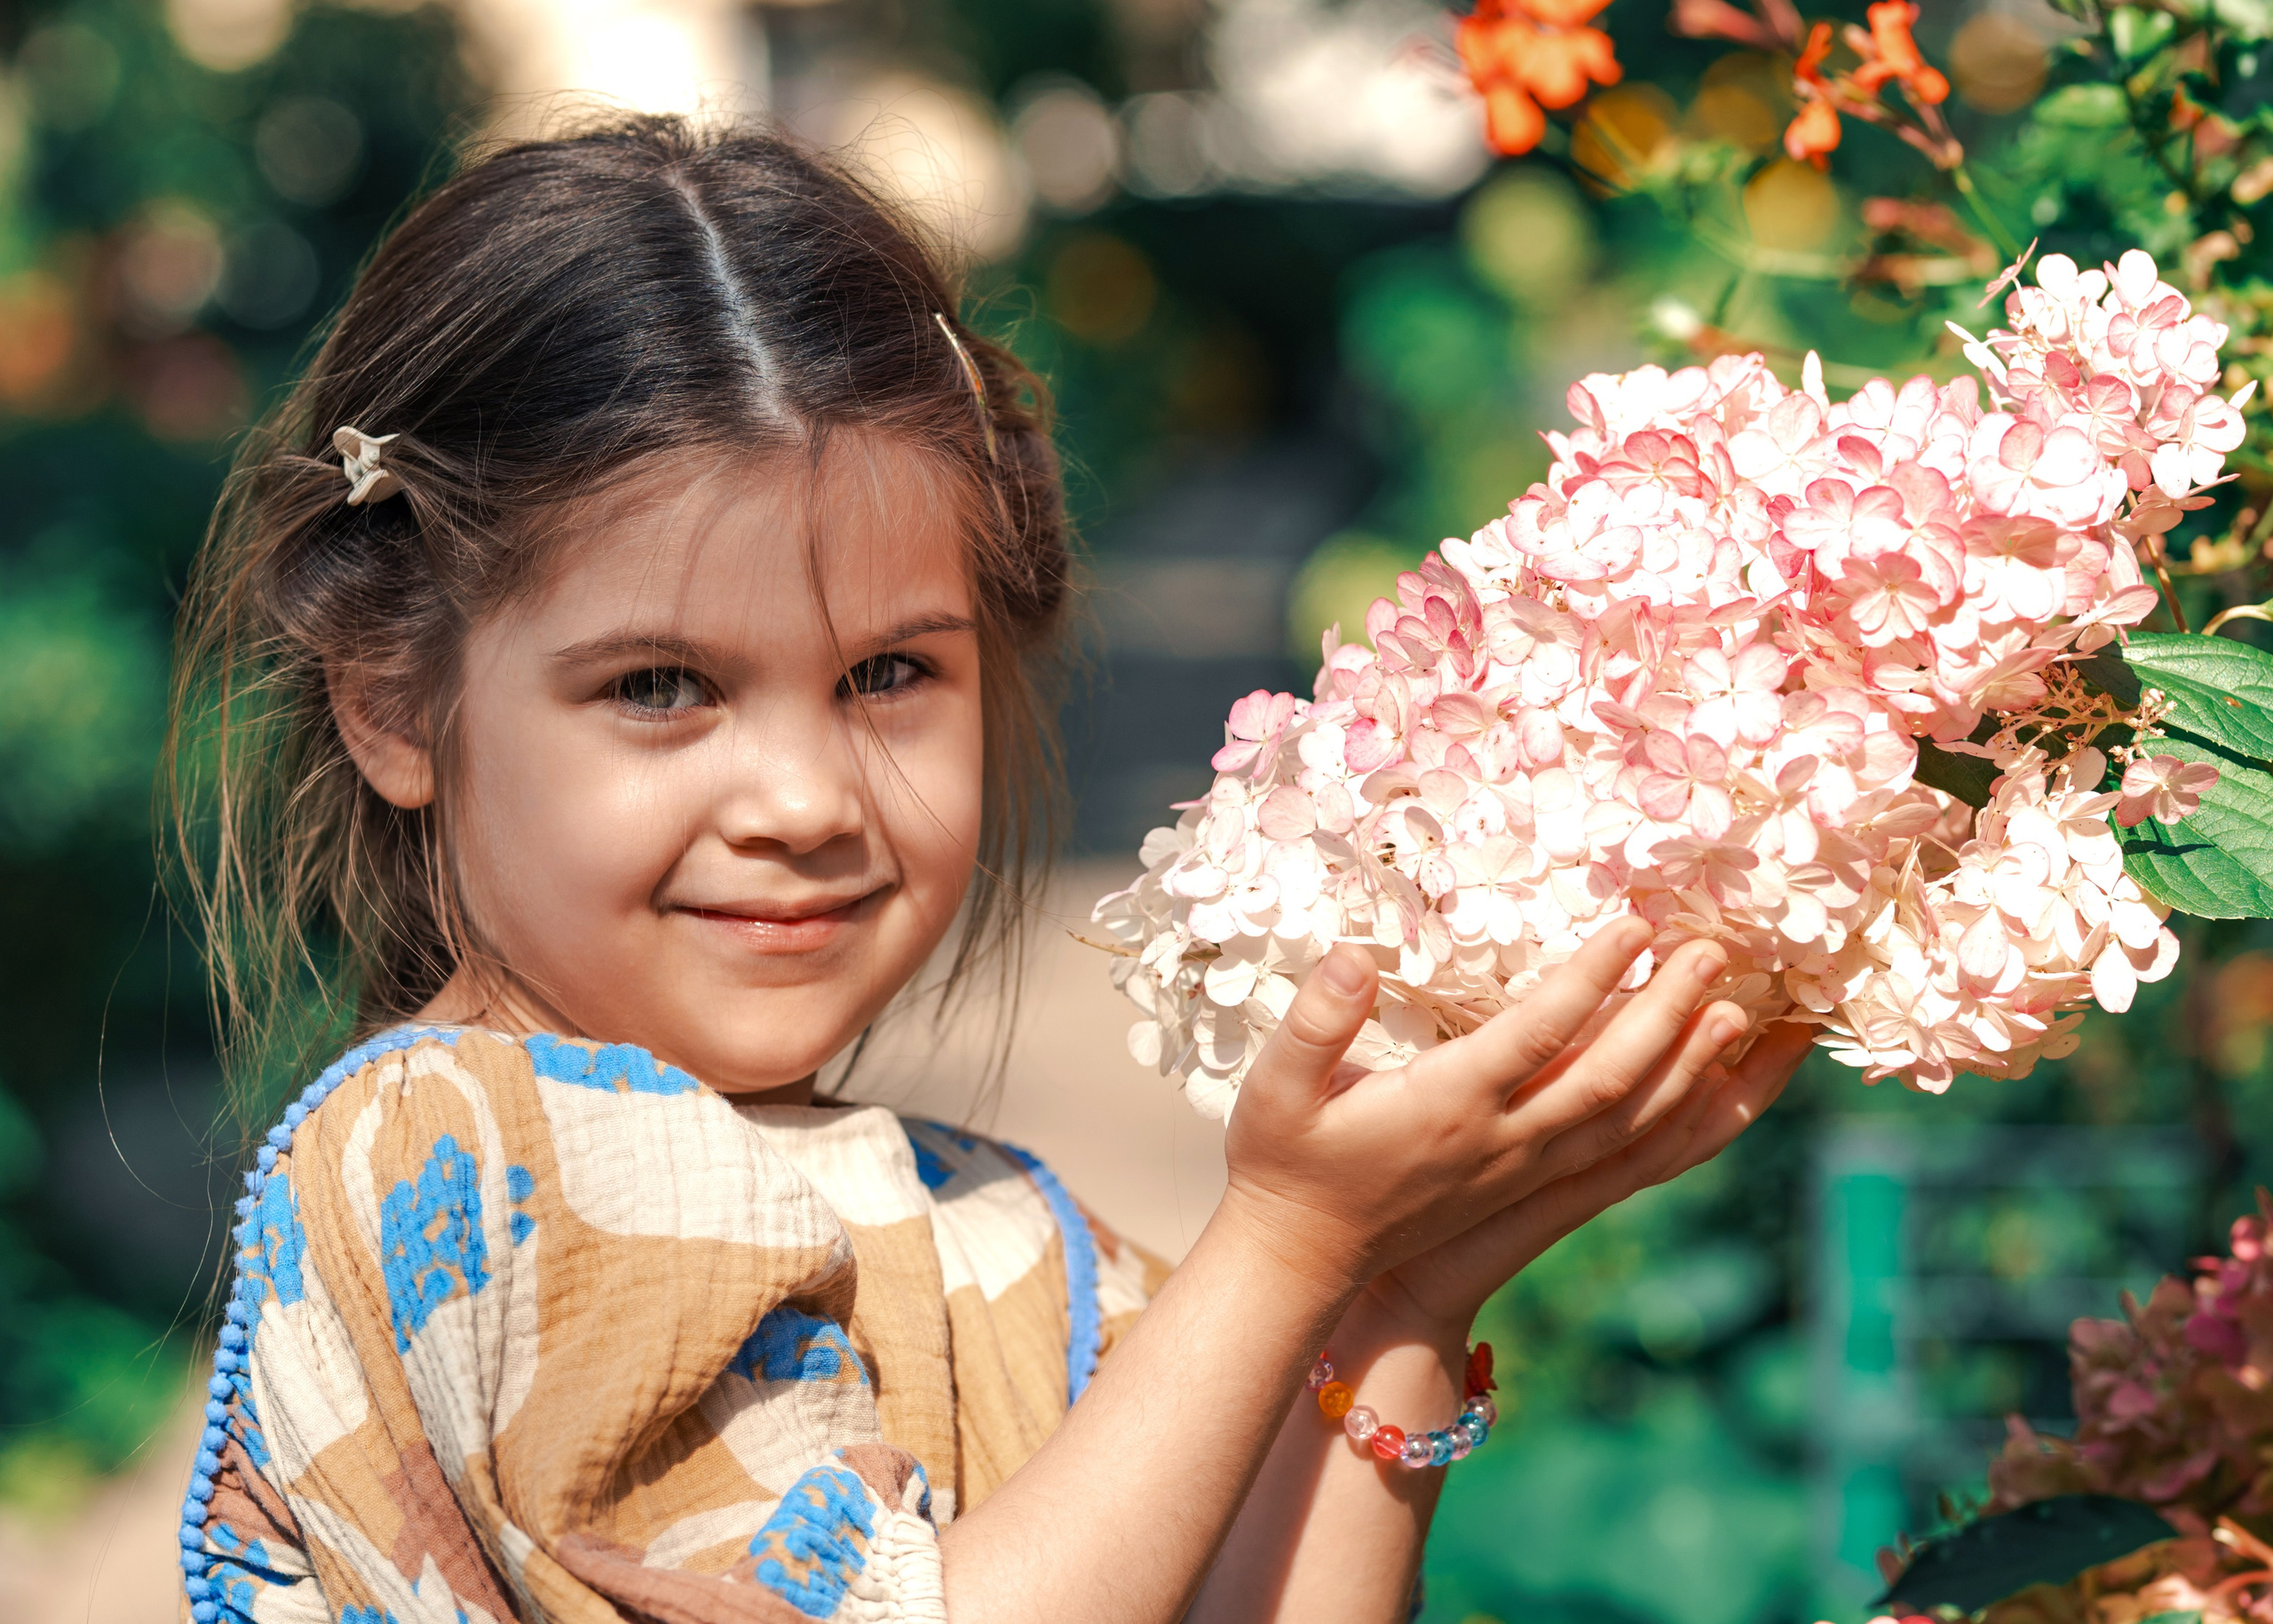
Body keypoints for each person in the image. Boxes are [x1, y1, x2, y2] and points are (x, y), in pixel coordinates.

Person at [166, 115, 1810, 1624]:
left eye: (890, 675)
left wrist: (1403, 1288)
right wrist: (1290, 1244)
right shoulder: (459, 1149)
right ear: (395, 701)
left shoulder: (1012, 1228)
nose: (805, 797)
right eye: (660, 687)